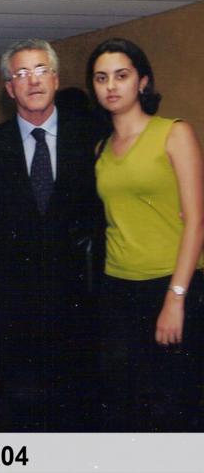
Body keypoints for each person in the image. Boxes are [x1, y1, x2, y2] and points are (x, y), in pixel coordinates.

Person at [0, 38, 102, 431]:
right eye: (21, 73)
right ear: (9, 87)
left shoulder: (93, 138)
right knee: (22, 419)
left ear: (56, 79)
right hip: (14, 314)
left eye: (41, 70)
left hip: (82, 308)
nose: (33, 81)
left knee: (81, 417)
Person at [88, 37, 204, 431]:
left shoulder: (173, 133)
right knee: (124, 406)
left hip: (171, 284)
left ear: (142, 82)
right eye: (101, 78)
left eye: (121, 75)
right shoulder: (101, 148)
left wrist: (176, 297)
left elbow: (196, 221)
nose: (111, 86)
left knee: (172, 405)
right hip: (117, 288)